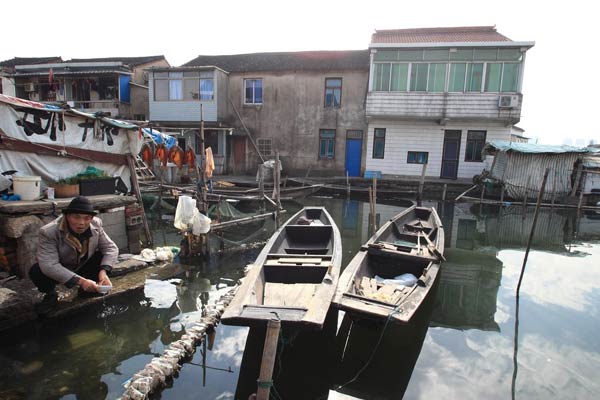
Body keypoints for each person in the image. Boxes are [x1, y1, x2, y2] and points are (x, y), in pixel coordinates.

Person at [29, 196, 118, 313]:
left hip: (82, 263)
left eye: (87, 218)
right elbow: (49, 265)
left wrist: (103, 272)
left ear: (91, 218)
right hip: (61, 268)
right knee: (37, 271)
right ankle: (50, 295)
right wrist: (81, 281)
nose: (81, 223)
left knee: (101, 257)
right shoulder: (48, 232)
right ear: (67, 216)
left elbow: (110, 248)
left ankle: (87, 290)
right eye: (76, 217)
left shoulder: (96, 224)